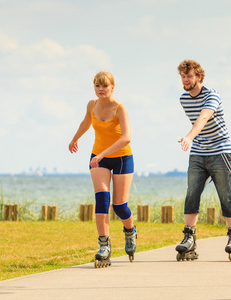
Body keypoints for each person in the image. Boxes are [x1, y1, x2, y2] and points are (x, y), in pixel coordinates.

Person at [175, 60, 231, 262]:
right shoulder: (183, 99)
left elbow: (203, 118)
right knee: (192, 193)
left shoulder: (212, 95)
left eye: (190, 76)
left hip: (220, 150)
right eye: (183, 76)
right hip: (198, 152)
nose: (186, 80)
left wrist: (188, 136)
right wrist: (193, 140)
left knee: (226, 194)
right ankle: (189, 237)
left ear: (199, 77)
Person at [69, 71, 137, 267]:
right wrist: (75, 138)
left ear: (112, 88)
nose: (101, 89)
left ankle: (130, 231)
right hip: (99, 158)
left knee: (119, 205)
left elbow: (126, 138)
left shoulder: (120, 108)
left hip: (122, 158)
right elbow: (86, 122)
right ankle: (104, 245)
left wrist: (102, 154)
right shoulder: (92, 105)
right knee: (101, 199)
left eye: (104, 86)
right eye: (97, 86)